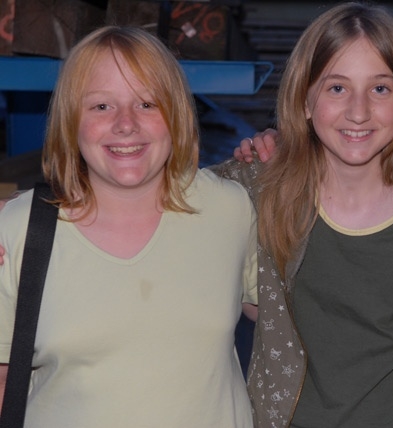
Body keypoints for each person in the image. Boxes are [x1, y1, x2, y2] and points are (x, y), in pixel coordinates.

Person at [213, 2, 393, 427]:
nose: (358, 112)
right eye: (337, 88)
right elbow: (162, 196)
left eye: (380, 89)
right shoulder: (259, 189)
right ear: (305, 101)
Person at [0, 26, 257, 427]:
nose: (125, 124)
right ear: (71, 120)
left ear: (176, 114)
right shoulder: (19, 230)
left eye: (147, 104)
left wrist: (296, 156)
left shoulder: (230, 209)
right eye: (101, 106)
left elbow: (295, 316)